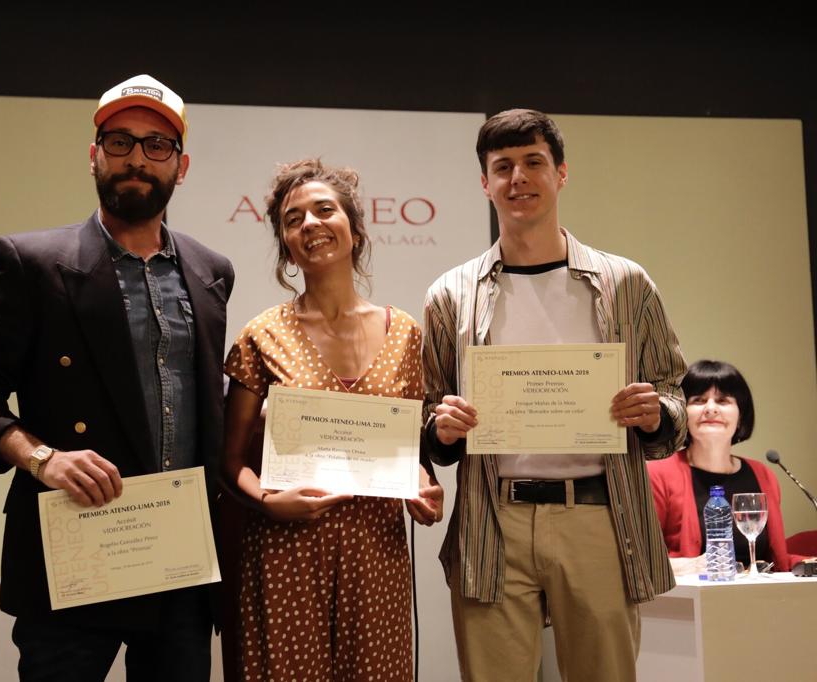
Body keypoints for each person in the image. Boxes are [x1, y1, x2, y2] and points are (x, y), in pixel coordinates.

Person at [0, 74, 234, 681]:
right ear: (94, 155)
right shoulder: (33, 263)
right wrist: (44, 458)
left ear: (181, 165)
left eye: (157, 145)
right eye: (120, 141)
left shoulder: (211, 272)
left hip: (180, 563)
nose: (136, 158)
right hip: (75, 556)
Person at [422, 109, 687, 681]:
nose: (519, 178)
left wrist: (654, 413)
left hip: (597, 515)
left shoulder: (624, 282)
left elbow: (674, 395)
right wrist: (439, 429)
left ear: (561, 173)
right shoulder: (451, 293)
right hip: (493, 519)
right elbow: (430, 411)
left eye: (533, 162)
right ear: (485, 183)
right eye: (503, 167)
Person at [223, 158, 443, 681]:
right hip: (286, 557)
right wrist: (270, 503)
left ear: (355, 227)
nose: (310, 225)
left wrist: (424, 487)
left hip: (375, 556)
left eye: (324, 210)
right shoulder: (262, 335)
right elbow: (229, 461)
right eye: (293, 219)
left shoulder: (407, 334)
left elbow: (410, 454)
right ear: (285, 244)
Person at [648, 359, 810, 573]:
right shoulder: (659, 473)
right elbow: (644, 562)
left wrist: (807, 563)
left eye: (723, 401)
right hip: (691, 601)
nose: (711, 409)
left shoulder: (763, 474)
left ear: (740, 415)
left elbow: (773, 560)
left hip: (761, 598)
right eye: (698, 400)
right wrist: (693, 566)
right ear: (682, 414)